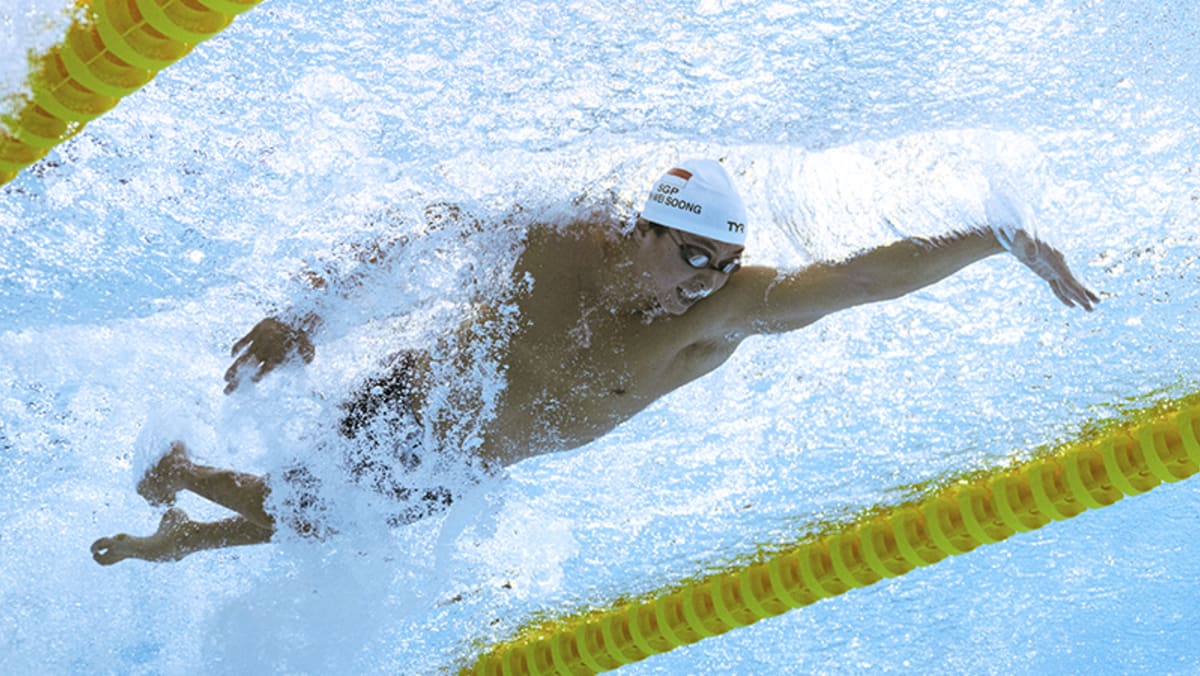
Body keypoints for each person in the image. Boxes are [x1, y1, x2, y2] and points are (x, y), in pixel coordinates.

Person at [90, 159, 1098, 565]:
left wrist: (994, 240)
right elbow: (422, 232)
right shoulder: (555, 240)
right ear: (641, 230)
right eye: (692, 256)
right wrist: (305, 313)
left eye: (724, 264)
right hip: (418, 403)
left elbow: (860, 279)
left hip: (471, 464)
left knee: (322, 527)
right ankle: (178, 484)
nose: (707, 282)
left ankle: (182, 520)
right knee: (311, 517)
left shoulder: (723, 312)